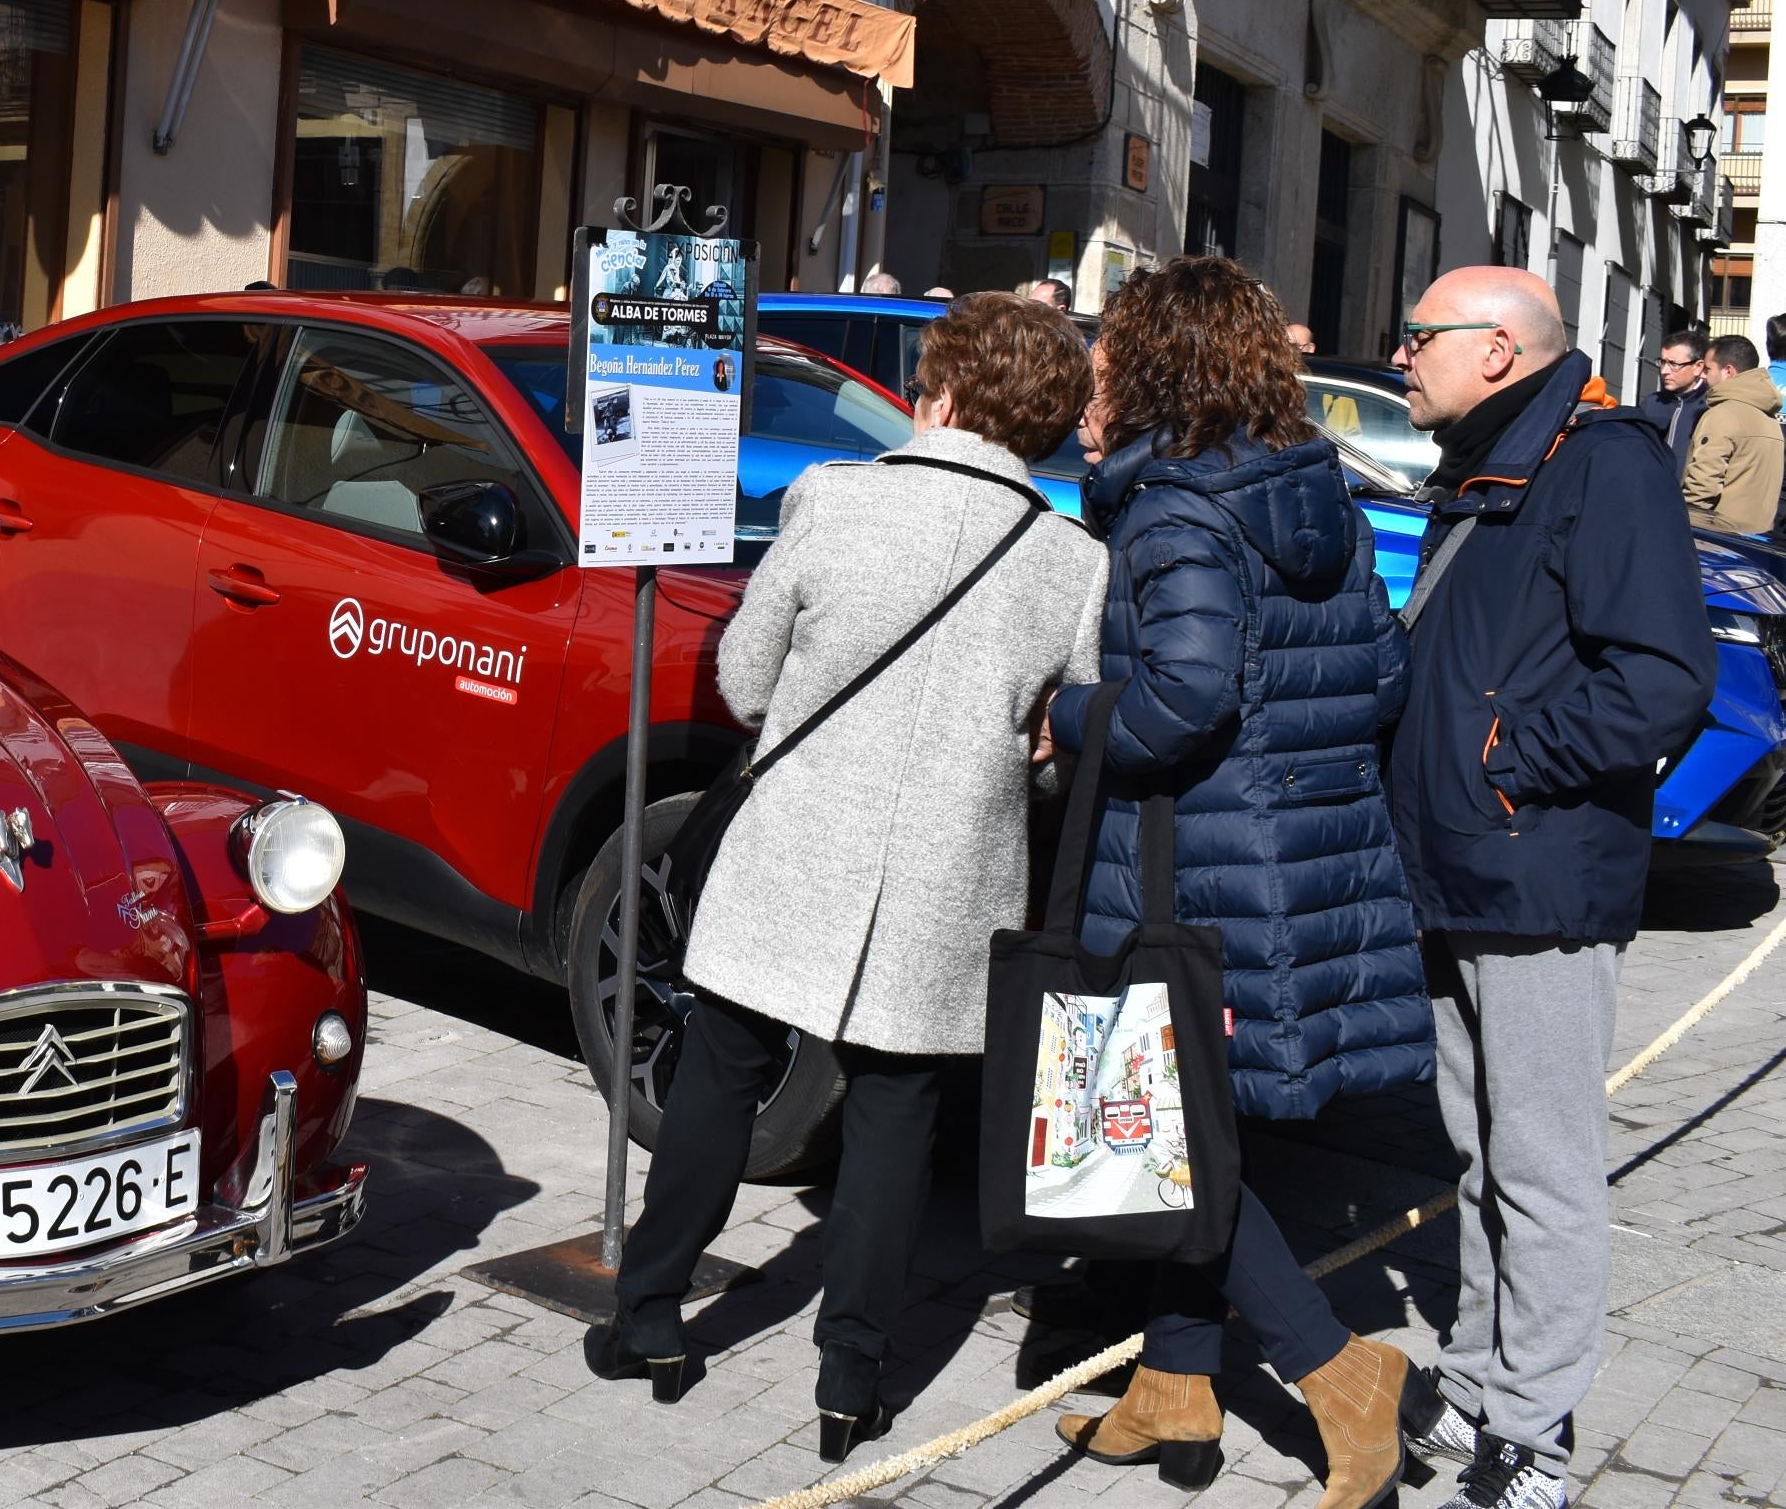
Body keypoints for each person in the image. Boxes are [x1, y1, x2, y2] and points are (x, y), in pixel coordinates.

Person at [590, 294, 1105, 1451]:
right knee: (894, 1116)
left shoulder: (836, 497)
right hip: (948, 872)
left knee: (720, 1071)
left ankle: (653, 1315)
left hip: (796, 842)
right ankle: (851, 1380)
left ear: (944, 393)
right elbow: (1054, 746)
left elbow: (741, 675)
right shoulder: (1074, 561)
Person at [1047, 257, 1430, 1509]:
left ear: (1158, 359)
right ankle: (1175, 1379)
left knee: (1176, 1141)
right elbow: (1381, 674)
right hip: (1298, 853)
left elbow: (1183, 699)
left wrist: (1071, 707)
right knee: (1195, 1120)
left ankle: (1337, 1369)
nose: (1095, 364)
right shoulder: (1313, 486)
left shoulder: (1171, 507)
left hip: (1195, 863)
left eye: (1113, 347)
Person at [1386, 267, 1713, 1509]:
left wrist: (1506, 763)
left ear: (1501, 350)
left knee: (1544, 1163)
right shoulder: (1492, 454)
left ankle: (1536, 1428)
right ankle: (1479, 1374)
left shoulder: (1604, 461)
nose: (1402, 355)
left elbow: (1661, 677)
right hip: (1463, 866)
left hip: (1536, 873)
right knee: (1474, 1155)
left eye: (1422, 337)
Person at [1681, 334, 1782, 534]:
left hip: (1716, 540)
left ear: (1728, 371)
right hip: (1758, 541)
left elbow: (1701, 486)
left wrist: (1681, 524)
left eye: (1708, 369)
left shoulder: (1722, 415)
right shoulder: (1770, 419)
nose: (1702, 375)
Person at [1638, 328, 1710, 464]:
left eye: (1673, 364)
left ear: (1698, 367)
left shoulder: (1709, 406)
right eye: (1663, 362)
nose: (1664, 371)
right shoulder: (1652, 403)